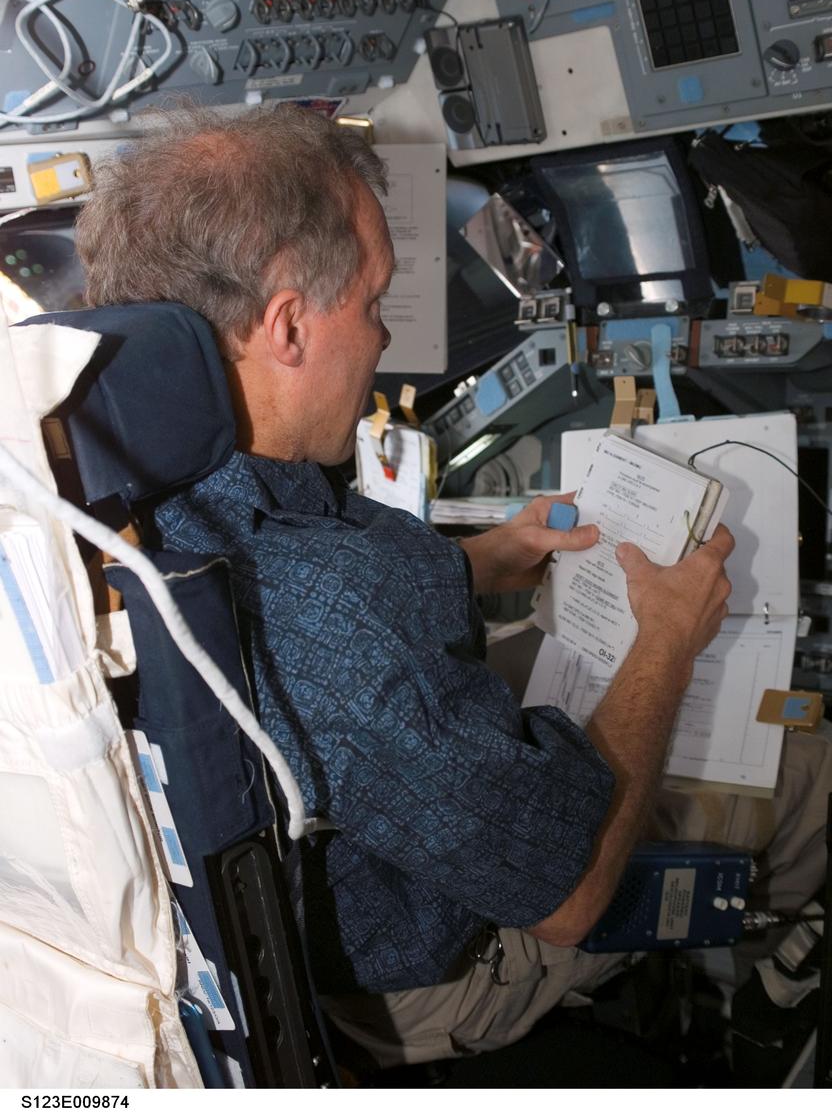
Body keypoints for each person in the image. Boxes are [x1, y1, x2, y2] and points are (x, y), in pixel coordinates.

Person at [75, 104, 832, 1069]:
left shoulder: (126, 476)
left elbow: (311, 610)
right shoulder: (334, 609)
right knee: (811, 768)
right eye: (374, 303)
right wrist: (666, 645)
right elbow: (568, 895)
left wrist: (479, 561)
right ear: (289, 326)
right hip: (440, 969)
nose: (385, 339)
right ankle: (780, 982)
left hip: (364, 817)